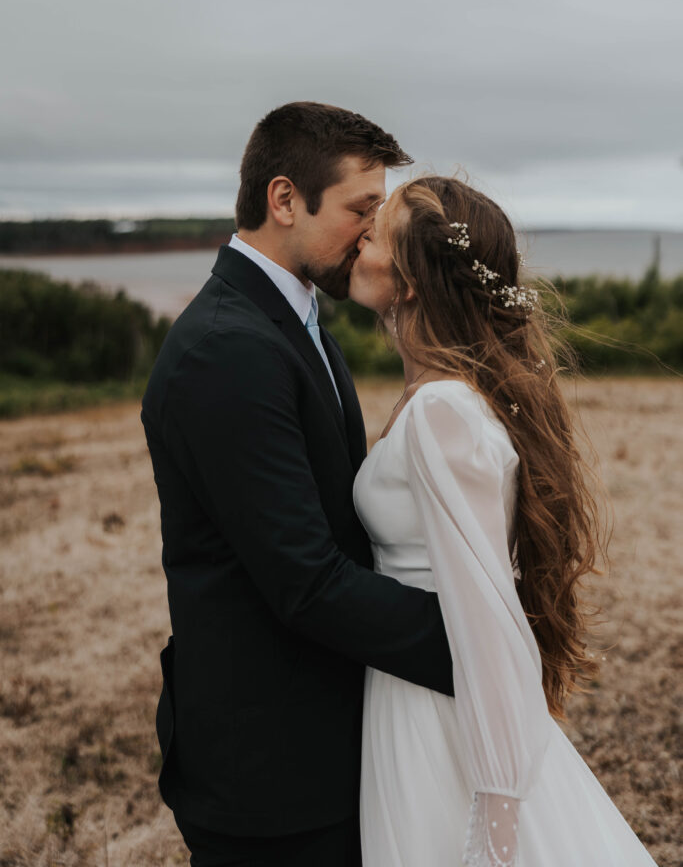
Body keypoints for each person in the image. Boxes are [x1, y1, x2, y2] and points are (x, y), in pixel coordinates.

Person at [141, 103, 454, 867]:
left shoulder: (294, 320)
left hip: (317, 743)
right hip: (270, 777)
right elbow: (305, 579)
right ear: (284, 200)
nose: (373, 232)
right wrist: (475, 647)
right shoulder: (227, 349)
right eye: (360, 209)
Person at [348, 174, 659, 866]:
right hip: (414, 693)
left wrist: (494, 811)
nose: (359, 239)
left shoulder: (442, 412)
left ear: (407, 281)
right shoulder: (439, 397)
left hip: (440, 716)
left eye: (376, 232)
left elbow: (486, 613)